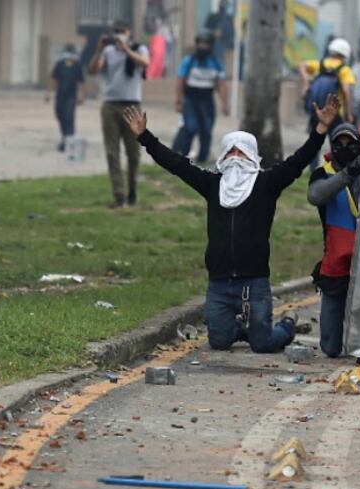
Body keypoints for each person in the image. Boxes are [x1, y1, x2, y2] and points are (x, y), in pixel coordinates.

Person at [123, 95, 341, 353]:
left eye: (242, 152)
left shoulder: (266, 184)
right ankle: (239, 329)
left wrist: (320, 130)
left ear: (252, 156)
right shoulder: (213, 184)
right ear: (223, 156)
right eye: (231, 152)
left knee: (263, 344)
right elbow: (177, 165)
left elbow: (298, 161)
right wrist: (144, 137)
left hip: (254, 282)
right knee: (219, 341)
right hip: (219, 283)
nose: (236, 158)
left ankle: (286, 328)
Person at [307, 122, 360, 358]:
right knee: (330, 348)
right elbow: (315, 196)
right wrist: (348, 173)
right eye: (339, 143)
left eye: (351, 143)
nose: (345, 148)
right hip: (337, 262)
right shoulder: (323, 173)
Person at [89, 20, 150, 208]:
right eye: (115, 32)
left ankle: (132, 191)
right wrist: (99, 50)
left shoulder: (139, 48)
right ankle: (119, 195)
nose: (118, 35)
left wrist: (127, 50)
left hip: (132, 106)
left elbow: (145, 63)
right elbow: (92, 70)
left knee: (134, 153)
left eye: (121, 31)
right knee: (112, 152)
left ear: (129, 32)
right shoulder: (108, 52)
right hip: (111, 105)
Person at [171, 31, 227, 162]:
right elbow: (180, 81)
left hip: (207, 100)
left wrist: (224, 103)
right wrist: (178, 100)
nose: (203, 46)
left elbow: (222, 84)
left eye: (206, 44)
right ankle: (182, 157)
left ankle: (202, 158)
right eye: (201, 43)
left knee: (206, 130)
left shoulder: (216, 63)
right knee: (190, 127)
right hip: (191, 100)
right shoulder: (189, 61)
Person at [298, 38, 355, 134]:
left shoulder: (320, 64)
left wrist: (306, 83)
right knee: (336, 141)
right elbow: (346, 92)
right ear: (345, 54)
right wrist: (348, 113)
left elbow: (302, 65)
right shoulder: (345, 70)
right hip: (334, 112)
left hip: (317, 110)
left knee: (314, 142)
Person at [46, 43, 86, 152]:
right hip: (60, 96)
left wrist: (81, 96)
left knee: (69, 117)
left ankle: (69, 141)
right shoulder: (59, 64)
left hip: (71, 96)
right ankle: (65, 137)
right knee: (60, 116)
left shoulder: (77, 65)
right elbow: (54, 79)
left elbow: (81, 82)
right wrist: (48, 94)